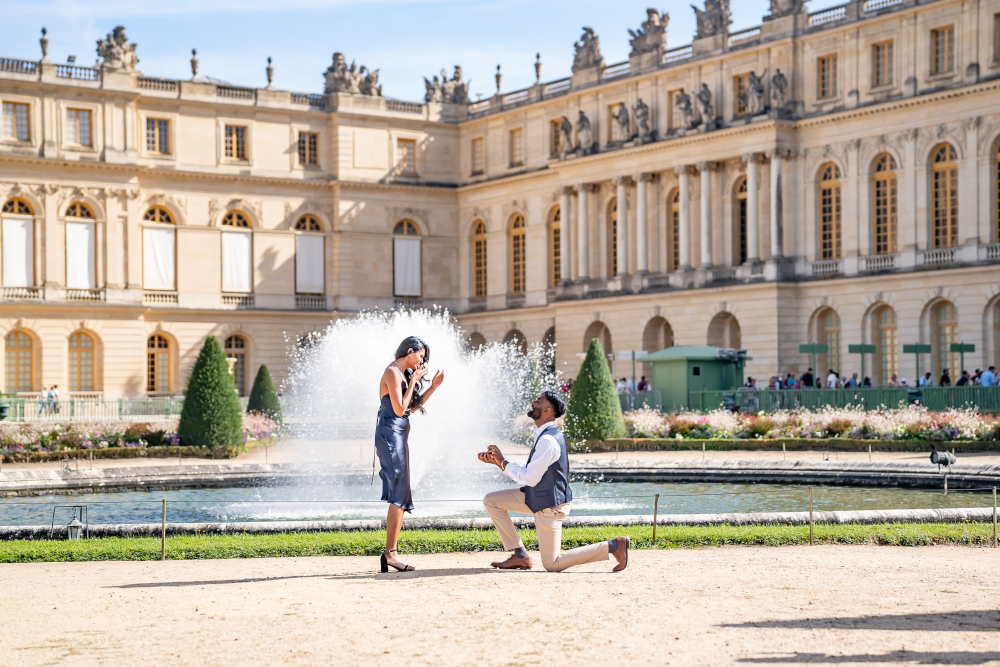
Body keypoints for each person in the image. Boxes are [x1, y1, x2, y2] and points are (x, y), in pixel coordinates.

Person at [479, 390, 629, 572]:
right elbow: (531, 476)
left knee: (552, 564)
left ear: (546, 411)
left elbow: (529, 478)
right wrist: (499, 463)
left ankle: (613, 546)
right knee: (492, 500)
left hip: (550, 506)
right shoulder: (544, 435)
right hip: (537, 497)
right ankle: (520, 555)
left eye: (538, 402)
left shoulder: (548, 440)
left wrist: (503, 462)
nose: (533, 403)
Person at [375, 336, 445, 573]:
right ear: (410, 351)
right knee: (399, 492)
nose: (421, 361)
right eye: (421, 356)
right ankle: (391, 554)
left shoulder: (403, 374)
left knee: (401, 493)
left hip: (397, 436)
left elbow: (410, 408)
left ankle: (390, 553)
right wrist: (414, 378)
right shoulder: (393, 372)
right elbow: (398, 409)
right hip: (389, 437)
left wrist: (432, 387)